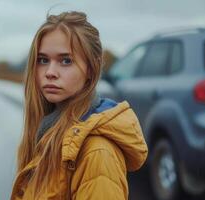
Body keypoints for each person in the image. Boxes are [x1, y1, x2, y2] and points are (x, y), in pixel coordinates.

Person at [10, 11, 148, 200]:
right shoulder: (47, 130)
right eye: (43, 60)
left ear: (91, 69)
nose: (50, 72)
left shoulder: (98, 153)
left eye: (66, 61)